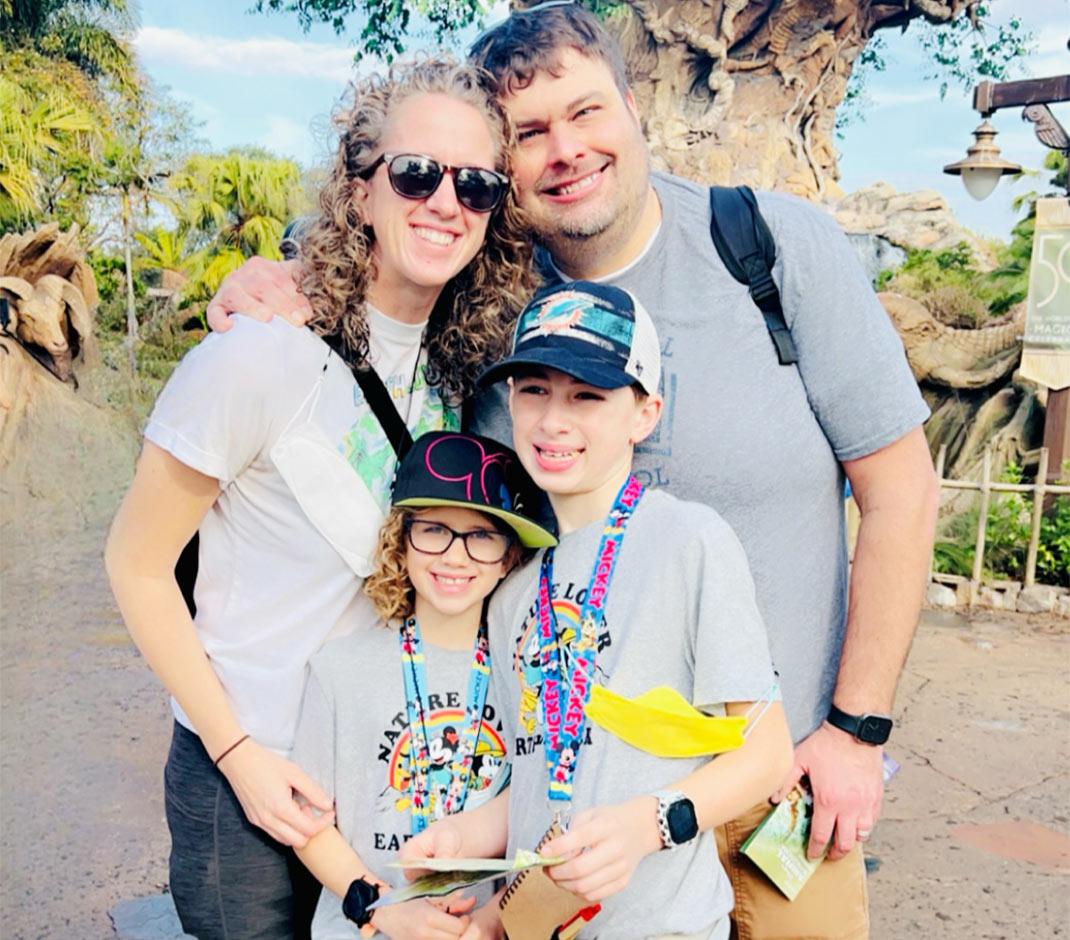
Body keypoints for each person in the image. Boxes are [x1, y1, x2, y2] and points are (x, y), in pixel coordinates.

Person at [204, 6, 940, 937]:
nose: (565, 150)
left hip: (779, 775)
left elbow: (901, 488)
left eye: (585, 112)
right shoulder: (486, 299)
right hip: (572, 803)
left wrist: (857, 729)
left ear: (635, 109)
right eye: (528, 134)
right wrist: (267, 278)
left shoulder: (772, 250)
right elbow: (378, 260)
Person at [104, 57, 534, 940]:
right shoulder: (256, 356)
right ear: (360, 186)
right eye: (416, 173)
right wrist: (240, 757)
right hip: (249, 775)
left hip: (389, 766)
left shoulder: (463, 372)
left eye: (479, 185)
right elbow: (137, 568)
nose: (446, 202)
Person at [403, 281, 795, 940]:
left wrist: (650, 824)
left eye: (587, 396)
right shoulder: (514, 589)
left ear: (645, 414)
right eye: (534, 391)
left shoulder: (690, 541)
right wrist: (461, 839)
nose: (554, 421)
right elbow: (539, 773)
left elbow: (767, 757)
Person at [290, 429, 558, 939]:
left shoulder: (528, 677)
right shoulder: (339, 668)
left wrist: (497, 917)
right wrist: (379, 907)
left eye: (481, 535)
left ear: (509, 556)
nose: (455, 557)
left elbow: (541, 806)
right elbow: (308, 826)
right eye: (434, 529)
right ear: (401, 539)